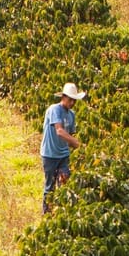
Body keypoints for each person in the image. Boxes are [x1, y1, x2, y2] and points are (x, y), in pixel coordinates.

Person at [40, 83, 86, 212]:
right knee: (50, 186)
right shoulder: (54, 110)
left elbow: (70, 136)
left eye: (74, 100)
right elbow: (59, 131)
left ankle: (62, 211)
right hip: (50, 154)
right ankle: (47, 213)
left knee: (65, 183)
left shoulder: (71, 115)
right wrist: (77, 143)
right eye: (70, 99)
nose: (72, 103)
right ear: (63, 97)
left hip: (63, 155)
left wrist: (82, 150)